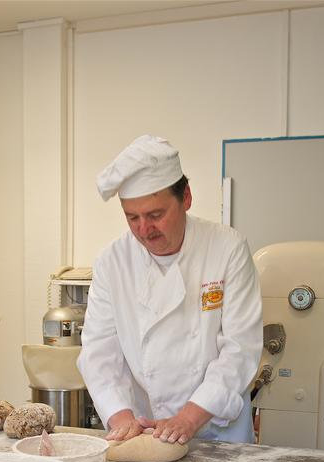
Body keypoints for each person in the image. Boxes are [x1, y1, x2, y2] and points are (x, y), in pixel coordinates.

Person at [77, 135, 263, 445]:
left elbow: (240, 349)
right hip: (144, 432)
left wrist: (188, 419)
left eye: (155, 215)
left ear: (186, 197)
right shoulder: (113, 261)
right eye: (132, 218)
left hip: (217, 434)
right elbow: (99, 351)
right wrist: (121, 417)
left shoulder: (227, 248)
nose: (144, 230)